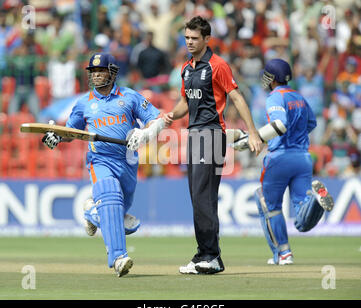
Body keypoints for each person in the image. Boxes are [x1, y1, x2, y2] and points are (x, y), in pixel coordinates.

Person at [42, 52, 165, 277]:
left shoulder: (129, 97)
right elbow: (72, 132)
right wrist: (57, 137)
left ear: (113, 72)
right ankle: (118, 257)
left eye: (101, 71)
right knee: (110, 196)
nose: (96, 75)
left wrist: (144, 134)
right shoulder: (84, 103)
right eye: (93, 72)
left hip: (128, 161)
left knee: (119, 213)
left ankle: (92, 212)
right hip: (100, 160)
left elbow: (157, 120)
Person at [163, 16, 263, 275]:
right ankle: (203, 253)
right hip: (193, 135)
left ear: (207, 39)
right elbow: (186, 102)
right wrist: (170, 116)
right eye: (186, 38)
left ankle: (211, 256)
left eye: (194, 38)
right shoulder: (187, 68)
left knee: (203, 196)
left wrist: (252, 133)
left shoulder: (218, 66)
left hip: (212, 134)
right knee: (197, 197)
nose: (190, 42)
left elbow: (237, 98)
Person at [238, 58, 334, 265]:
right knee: (301, 216)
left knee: (267, 202)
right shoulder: (299, 96)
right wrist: (296, 137)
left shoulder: (274, 97)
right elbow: (311, 122)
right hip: (303, 158)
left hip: (280, 157)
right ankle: (315, 202)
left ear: (272, 78)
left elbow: (279, 124)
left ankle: (283, 253)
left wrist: (254, 139)